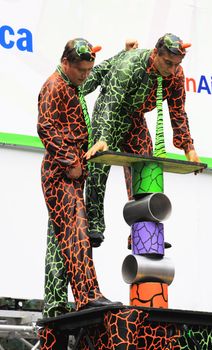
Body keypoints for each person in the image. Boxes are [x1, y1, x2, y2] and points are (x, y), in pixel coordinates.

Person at [83, 33, 200, 248]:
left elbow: (178, 111)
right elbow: (111, 102)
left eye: (177, 64)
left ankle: (143, 231)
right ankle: (94, 224)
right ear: (155, 54)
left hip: (134, 117)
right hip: (110, 111)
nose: (172, 69)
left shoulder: (175, 75)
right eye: (168, 63)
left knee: (147, 168)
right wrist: (103, 138)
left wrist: (188, 148)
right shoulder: (130, 64)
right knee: (99, 164)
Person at [37, 38, 121, 325]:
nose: (86, 76)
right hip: (60, 172)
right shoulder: (55, 86)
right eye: (82, 70)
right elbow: (45, 127)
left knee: (68, 239)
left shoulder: (71, 85)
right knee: (77, 235)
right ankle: (87, 295)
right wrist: (70, 162)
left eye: (89, 70)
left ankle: (69, 300)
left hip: (70, 171)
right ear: (66, 63)